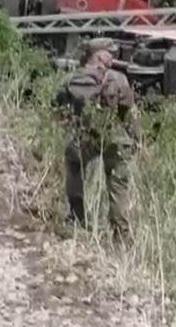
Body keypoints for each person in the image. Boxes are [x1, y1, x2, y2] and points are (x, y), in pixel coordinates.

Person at [54, 37, 137, 241]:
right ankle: (120, 234)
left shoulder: (71, 78)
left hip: (85, 135)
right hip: (115, 137)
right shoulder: (118, 79)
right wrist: (136, 138)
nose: (113, 58)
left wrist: (70, 129)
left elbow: (59, 109)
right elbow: (128, 113)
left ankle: (76, 217)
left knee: (74, 165)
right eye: (110, 54)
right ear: (99, 56)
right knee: (118, 185)